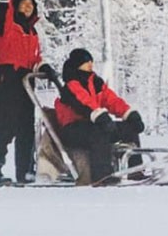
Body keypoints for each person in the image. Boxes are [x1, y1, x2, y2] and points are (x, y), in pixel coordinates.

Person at [0, 0, 54, 185]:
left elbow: (35, 57)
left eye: (30, 4)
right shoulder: (7, 24)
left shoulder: (32, 32)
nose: (27, 7)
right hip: (6, 77)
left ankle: (25, 171)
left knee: (26, 126)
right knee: (6, 127)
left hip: (26, 80)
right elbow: (1, 6)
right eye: (23, 3)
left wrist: (44, 67)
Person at [54, 48, 145, 184]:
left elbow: (111, 100)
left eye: (91, 61)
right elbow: (83, 102)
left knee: (129, 128)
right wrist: (99, 116)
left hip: (92, 124)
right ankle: (103, 177)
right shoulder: (71, 85)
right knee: (99, 133)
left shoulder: (94, 82)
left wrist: (129, 114)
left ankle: (136, 171)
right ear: (78, 64)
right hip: (72, 129)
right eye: (86, 61)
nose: (90, 64)